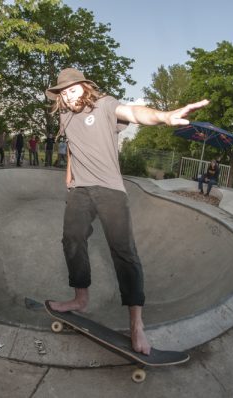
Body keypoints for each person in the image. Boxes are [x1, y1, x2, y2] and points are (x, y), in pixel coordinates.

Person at [45, 67, 209, 355]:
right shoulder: (64, 116)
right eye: (64, 94)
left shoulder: (106, 105)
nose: (69, 98)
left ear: (84, 87)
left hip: (110, 188)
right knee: (71, 238)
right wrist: (69, 177)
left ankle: (136, 324)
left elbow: (134, 112)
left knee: (123, 251)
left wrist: (164, 117)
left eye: (73, 90)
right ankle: (80, 298)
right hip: (80, 189)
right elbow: (72, 148)